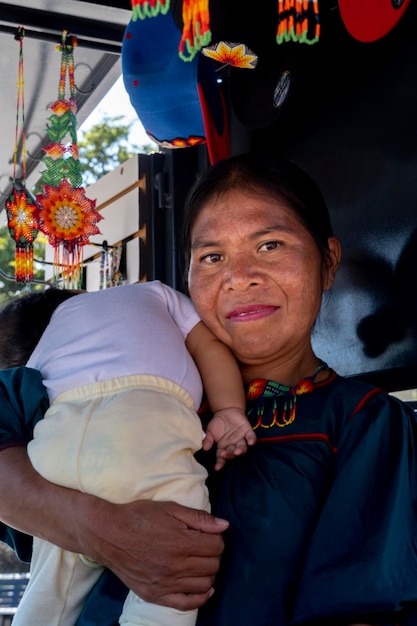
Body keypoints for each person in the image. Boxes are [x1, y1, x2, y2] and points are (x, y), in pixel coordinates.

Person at [0, 152, 417, 625]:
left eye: (270, 245)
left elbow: (361, 608)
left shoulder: (360, 420)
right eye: (212, 257)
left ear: (327, 262)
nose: (239, 277)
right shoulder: (142, 387)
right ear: (187, 281)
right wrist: (97, 528)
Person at [0, 281, 254, 626]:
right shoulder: (158, 294)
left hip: (57, 448)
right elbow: (209, 345)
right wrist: (228, 410)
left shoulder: (36, 365)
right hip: (146, 434)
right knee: (180, 564)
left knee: (50, 595)